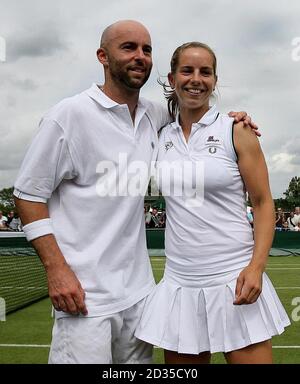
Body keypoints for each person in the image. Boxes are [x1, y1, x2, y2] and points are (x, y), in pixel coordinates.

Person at [14, 21, 258, 364]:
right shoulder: (67, 115)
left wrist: (235, 120)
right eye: (128, 48)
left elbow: (194, 112)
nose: (140, 56)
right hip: (85, 298)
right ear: (102, 56)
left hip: (140, 296)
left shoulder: (154, 115)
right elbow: (27, 196)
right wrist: (57, 270)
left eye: (146, 49)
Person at [135, 42, 290, 364]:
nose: (196, 79)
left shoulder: (237, 130)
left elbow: (262, 203)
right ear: (172, 77)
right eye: (187, 70)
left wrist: (256, 268)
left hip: (234, 279)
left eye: (205, 72)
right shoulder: (161, 133)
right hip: (179, 284)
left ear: (215, 81)